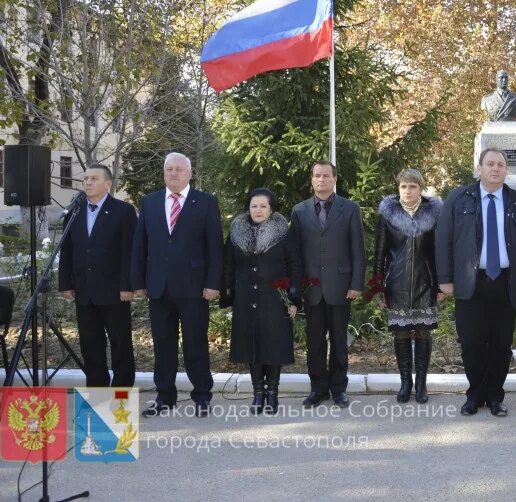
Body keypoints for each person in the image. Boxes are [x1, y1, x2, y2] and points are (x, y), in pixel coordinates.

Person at [436, 148, 516, 417]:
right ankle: (475, 395)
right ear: (479, 168)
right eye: (490, 164)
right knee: (471, 342)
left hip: (507, 283)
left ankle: (495, 396)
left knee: (500, 344)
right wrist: (444, 280)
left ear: (506, 170)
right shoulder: (458, 199)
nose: (496, 169)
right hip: (470, 283)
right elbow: (443, 240)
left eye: (501, 165)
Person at [132, 152, 224, 417]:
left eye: (179, 169)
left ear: (189, 173)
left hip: (194, 288)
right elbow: (140, 245)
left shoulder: (205, 202)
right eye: (169, 169)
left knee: (196, 343)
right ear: (164, 173)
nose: (173, 173)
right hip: (158, 287)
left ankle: (202, 396)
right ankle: (165, 397)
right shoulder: (149, 203)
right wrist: (138, 282)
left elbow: (214, 247)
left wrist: (212, 283)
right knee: (163, 344)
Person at [290, 161, 365, 409]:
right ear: (311, 180)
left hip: (341, 286)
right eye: (316, 176)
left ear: (335, 179)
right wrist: (296, 288)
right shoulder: (299, 211)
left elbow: (358, 251)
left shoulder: (350, 209)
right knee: (315, 343)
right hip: (312, 288)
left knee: (339, 341)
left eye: (326, 175)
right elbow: (295, 254)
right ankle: (318, 389)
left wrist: (356, 284)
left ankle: (338, 389)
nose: (321, 180)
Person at [221, 188, 300, 415]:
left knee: (273, 346)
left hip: (275, 298)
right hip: (245, 298)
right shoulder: (237, 231)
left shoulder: (284, 232)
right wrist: (228, 295)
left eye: (263, 206)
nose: (258, 210)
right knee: (251, 345)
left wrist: (294, 298)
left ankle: (272, 393)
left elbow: (294, 265)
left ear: (271, 209)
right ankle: (258, 393)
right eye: (254, 206)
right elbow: (228, 265)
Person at [59, 163, 137, 387]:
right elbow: (67, 249)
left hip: (114, 290)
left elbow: (129, 251)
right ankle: (97, 390)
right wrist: (66, 283)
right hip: (84, 291)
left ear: (108, 183)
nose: (88, 183)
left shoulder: (123, 211)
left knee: (120, 343)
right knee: (90, 344)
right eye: (85, 179)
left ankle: (122, 391)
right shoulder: (74, 211)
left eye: (94, 178)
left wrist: (128, 286)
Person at [371, 169, 444, 404]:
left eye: (412, 186)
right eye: (403, 186)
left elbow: (439, 252)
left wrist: (441, 284)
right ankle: (405, 384)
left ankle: (421, 385)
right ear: (398, 188)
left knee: (423, 332)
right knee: (401, 334)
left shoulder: (434, 213)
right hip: (397, 283)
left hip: (426, 282)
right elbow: (379, 251)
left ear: (420, 188)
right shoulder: (388, 213)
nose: (407, 191)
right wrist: (377, 285)